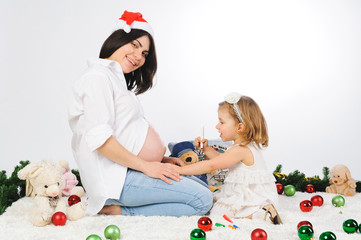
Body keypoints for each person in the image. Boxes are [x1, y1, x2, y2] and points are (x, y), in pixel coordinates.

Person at [68, 10, 212, 217]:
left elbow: (125, 133)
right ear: (118, 39)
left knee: (201, 188)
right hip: (117, 179)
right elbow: (100, 139)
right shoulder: (97, 78)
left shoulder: (114, 80)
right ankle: (118, 211)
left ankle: (127, 206)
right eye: (135, 45)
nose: (139, 56)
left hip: (130, 171)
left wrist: (159, 161)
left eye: (144, 53)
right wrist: (147, 167)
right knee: (202, 200)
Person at [171, 92, 282, 224]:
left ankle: (259, 213)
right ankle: (261, 210)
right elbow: (222, 160)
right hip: (259, 195)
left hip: (252, 198)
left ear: (240, 127)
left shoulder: (240, 150)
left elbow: (212, 165)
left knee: (218, 212)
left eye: (221, 122)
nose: (217, 126)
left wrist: (180, 170)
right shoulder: (246, 147)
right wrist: (207, 149)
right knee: (217, 198)